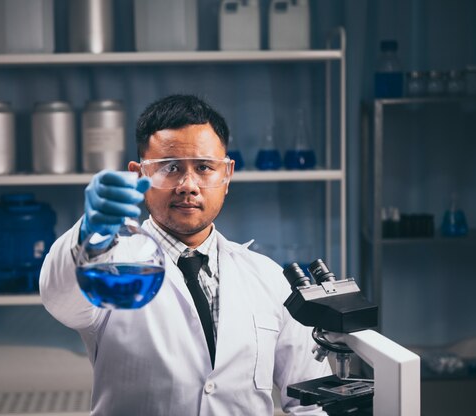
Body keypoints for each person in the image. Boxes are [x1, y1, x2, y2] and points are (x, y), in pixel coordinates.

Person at [40, 94, 331, 415]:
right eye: (170, 168)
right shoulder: (110, 265)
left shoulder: (268, 278)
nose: (188, 185)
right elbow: (59, 298)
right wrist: (90, 229)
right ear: (139, 176)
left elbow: (311, 402)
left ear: (227, 175)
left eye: (204, 167)